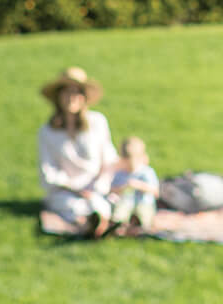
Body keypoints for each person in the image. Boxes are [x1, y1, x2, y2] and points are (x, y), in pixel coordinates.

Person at [37, 66, 117, 238]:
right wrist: (75, 188)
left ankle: (97, 223)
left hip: (96, 187)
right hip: (66, 190)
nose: (71, 98)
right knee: (73, 206)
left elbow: (109, 160)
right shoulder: (48, 131)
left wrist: (99, 185)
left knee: (100, 204)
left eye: (76, 93)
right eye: (66, 93)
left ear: (84, 97)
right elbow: (48, 171)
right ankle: (90, 224)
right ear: (58, 97)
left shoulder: (97, 123)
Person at [108, 136, 160, 233]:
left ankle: (140, 225)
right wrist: (122, 188)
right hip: (125, 202)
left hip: (143, 202)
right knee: (120, 210)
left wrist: (140, 185)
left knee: (144, 213)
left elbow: (155, 191)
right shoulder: (120, 173)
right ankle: (118, 224)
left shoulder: (146, 172)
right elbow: (111, 189)